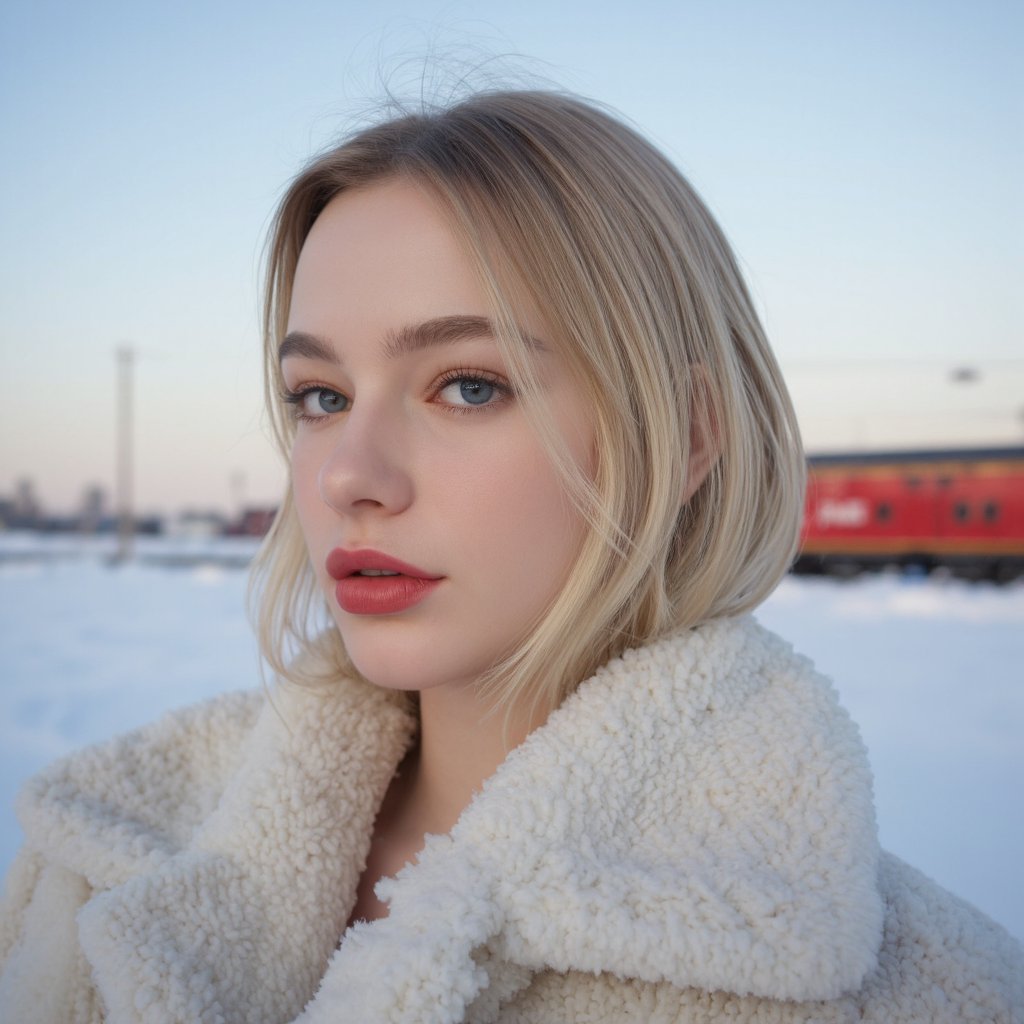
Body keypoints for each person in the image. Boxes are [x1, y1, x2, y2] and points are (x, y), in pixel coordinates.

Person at [1, 89, 1020, 1024]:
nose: (349, 474)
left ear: (687, 434)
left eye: (468, 386)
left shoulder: (920, 991)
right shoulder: (96, 856)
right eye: (322, 396)